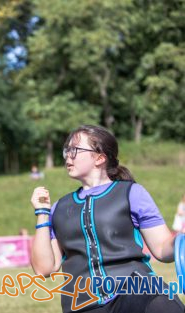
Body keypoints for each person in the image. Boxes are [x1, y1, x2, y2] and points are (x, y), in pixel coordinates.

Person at [30, 125, 184, 313]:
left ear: (100, 158)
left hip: (135, 294)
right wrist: (42, 213)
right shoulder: (59, 208)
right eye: (66, 150)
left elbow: (162, 249)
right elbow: (44, 269)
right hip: (82, 305)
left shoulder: (132, 193)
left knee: (163, 303)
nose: (67, 156)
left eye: (75, 150)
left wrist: (180, 239)